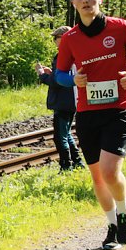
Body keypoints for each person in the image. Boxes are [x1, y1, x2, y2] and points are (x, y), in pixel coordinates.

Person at [54, 0, 126, 250]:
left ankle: (123, 211)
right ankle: (112, 226)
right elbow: (60, 75)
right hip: (87, 113)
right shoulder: (70, 39)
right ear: (74, 3)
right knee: (97, 177)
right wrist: (73, 80)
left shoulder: (119, 27)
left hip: (118, 108)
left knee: (110, 171)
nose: (85, 0)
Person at [36, 26, 84, 172]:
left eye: (55, 38)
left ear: (63, 38)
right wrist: (51, 73)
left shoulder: (63, 55)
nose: (54, 41)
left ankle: (66, 166)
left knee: (59, 137)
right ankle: (77, 162)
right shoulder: (76, 53)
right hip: (72, 100)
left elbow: (57, 81)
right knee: (66, 133)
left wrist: (42, 75)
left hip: (63, 101)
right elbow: (63, 76)